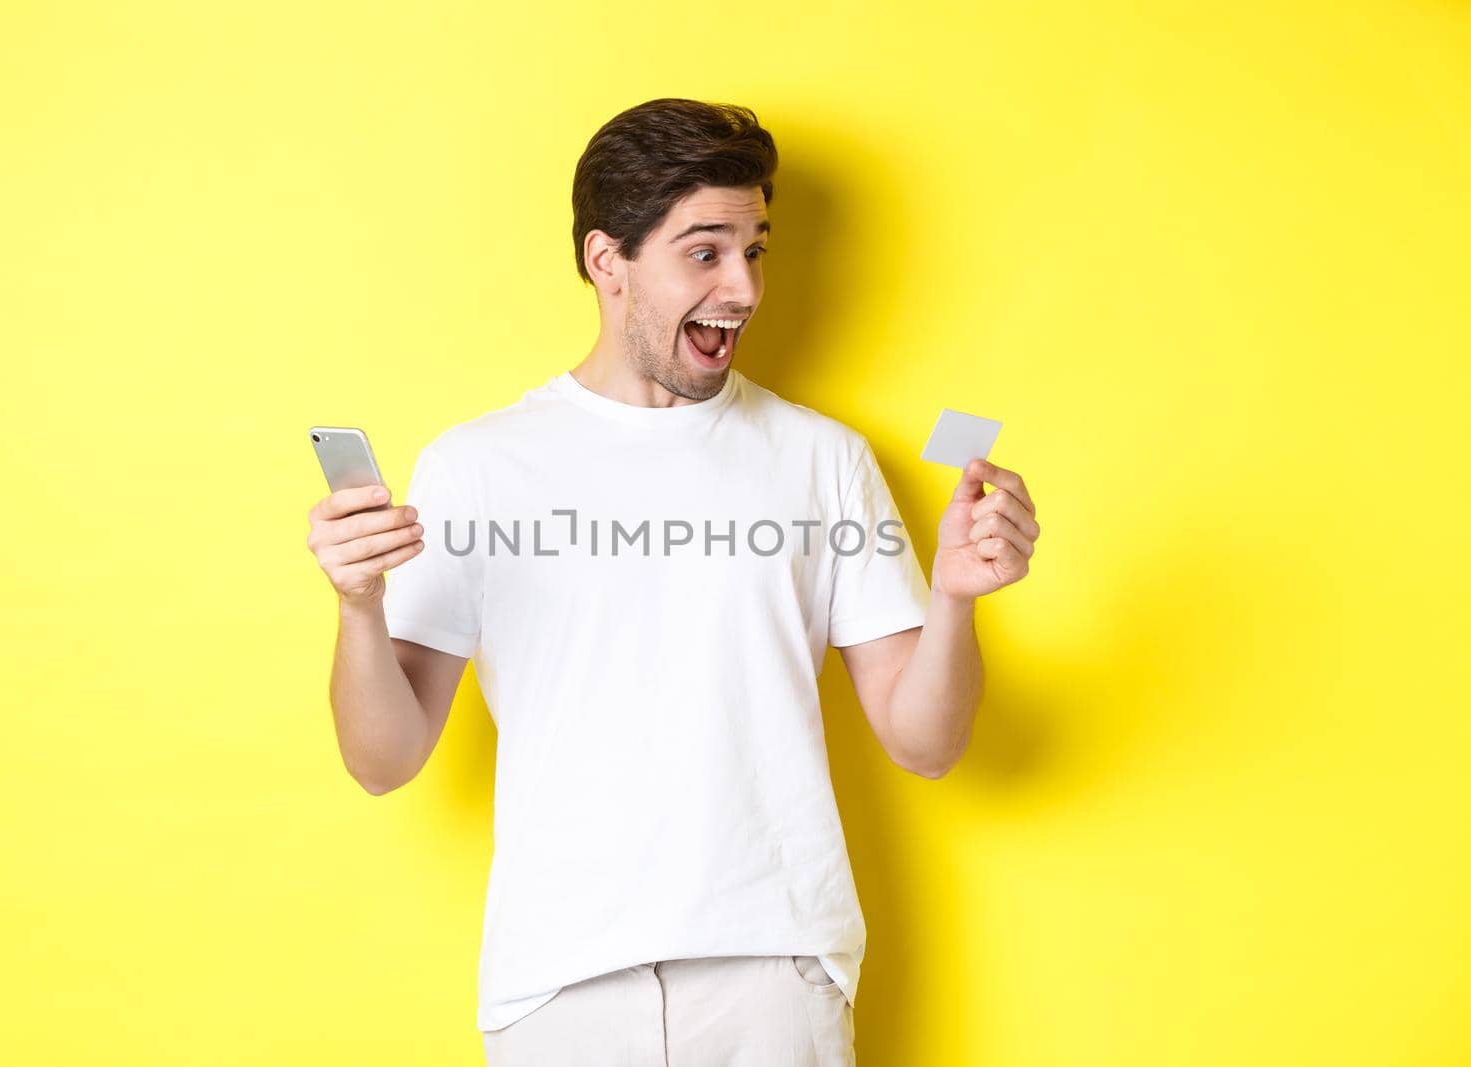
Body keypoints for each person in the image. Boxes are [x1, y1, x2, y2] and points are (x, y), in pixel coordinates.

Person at [306, 97, 1040, 1066]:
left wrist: (953, 599)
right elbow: (382, 758)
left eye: (755, 249)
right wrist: (359, 605)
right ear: (608, 260)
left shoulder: (821, 459)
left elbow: (927, 741)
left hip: (772, 964)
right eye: (705, 251)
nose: (742, 287)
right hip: (560, 975)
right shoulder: (479, 464)